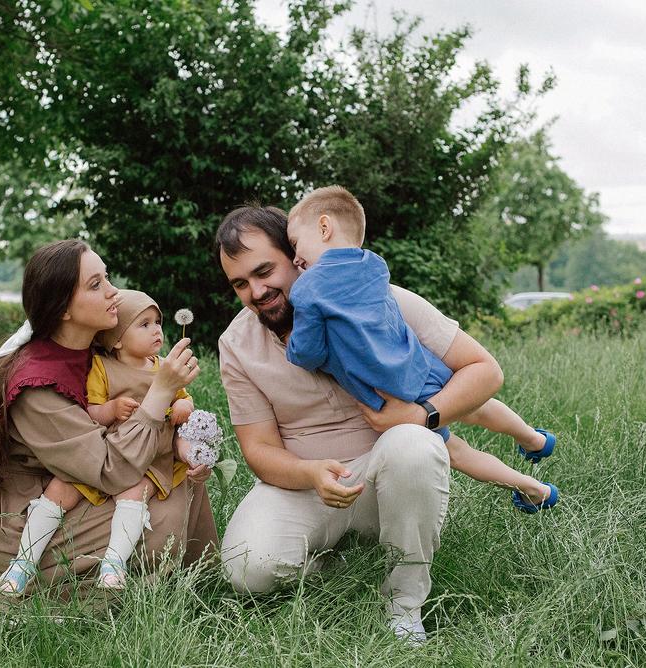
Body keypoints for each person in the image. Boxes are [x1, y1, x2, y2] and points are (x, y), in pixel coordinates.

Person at [214, 204, 502, 644]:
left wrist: (423, 415)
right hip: (305, 485)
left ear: (297, 256)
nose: (257, 291)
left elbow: (485, 370)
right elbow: (258, 450)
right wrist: (309, 472)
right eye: (240, 284)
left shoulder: (381, 298)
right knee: (245, 565)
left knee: (413, 443)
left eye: (264, 271)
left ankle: (404, 605)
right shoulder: (236, 344)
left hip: (386, 474)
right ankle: (351, 568)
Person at [285, 185, 558, 513]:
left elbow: (309, 353)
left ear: (324, 228)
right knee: (476, 407)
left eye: (296, 244)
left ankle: (534, 489)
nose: (295, 258)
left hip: (387, 392)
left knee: (458, 453)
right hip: (417, 365)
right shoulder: (375, 267)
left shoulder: (307, 289)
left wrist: (293, 347)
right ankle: (534, 440)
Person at [0, 240, 217, 595]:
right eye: (96, 285)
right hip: (20, 516)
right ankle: (37, 583)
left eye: (107, 278)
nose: (114, 292)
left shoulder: (94, 347)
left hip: (73, 478)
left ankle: (200, 580)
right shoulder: (38, 385)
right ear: (63, 309)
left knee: (176, 471)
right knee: (161, 512)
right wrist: (161, 393)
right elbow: (112, 470)